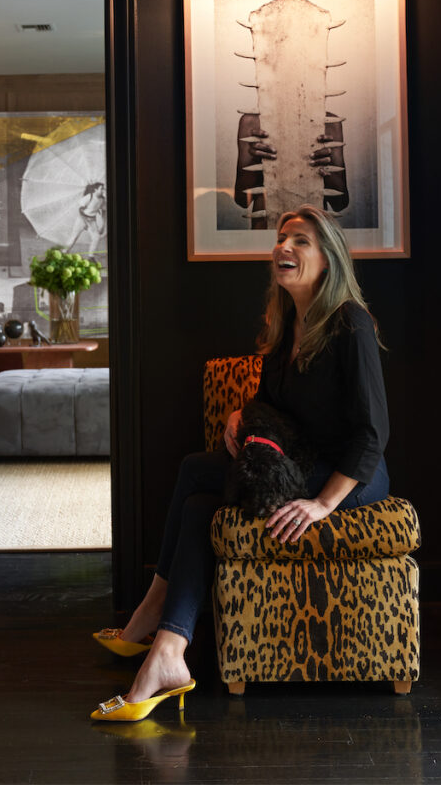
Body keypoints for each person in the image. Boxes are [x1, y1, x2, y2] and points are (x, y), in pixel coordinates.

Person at [90, 204, 389, 722]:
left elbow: (373, 433)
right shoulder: (286, 322)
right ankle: (168, 651)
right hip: (299, 460)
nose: (284, 247)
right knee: (200, 505)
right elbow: (275, 405)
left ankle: (153, 615)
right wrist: (239, 414)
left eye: (300, 241)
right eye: (281, 238)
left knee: (192, 470)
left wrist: (321, 504)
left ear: (328, 259)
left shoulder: (351, 325)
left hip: (351, 476)